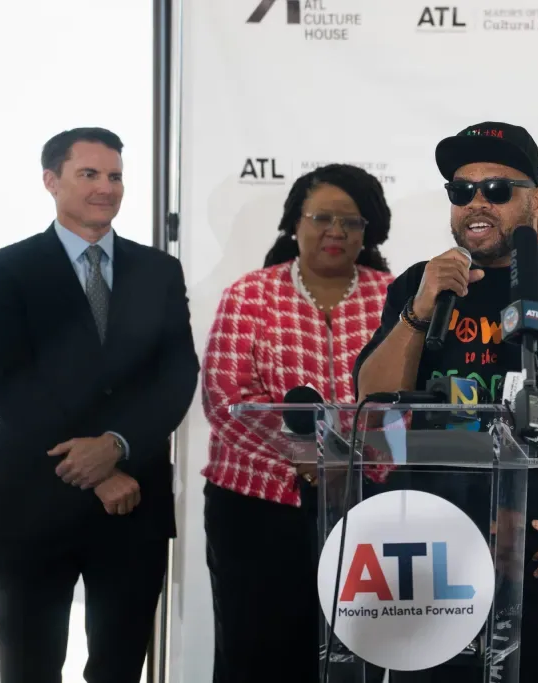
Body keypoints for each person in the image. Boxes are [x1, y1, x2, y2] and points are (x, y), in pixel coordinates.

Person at [354, 121, 538, 681]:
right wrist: (421, 307)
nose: (476, 202)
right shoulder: (420, 287)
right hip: (432, 555)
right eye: (461, 189)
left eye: (497, 190)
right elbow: (371, 399)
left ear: (537, 201)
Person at [0, 127, 199, 683]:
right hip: (33, 501)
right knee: (27, 667)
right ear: (51, 180)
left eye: (115, 176)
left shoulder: (159, 271)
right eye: (89, 174)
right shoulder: (5, 270)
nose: (105, 187)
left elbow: (178, 374)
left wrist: (117, 448)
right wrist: (94, 469)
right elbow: (7, 382)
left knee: (120, 667)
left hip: (135, 501)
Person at [200, 163, 396, 683]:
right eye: (322, 217)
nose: (335, 231)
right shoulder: (250, 295)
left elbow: (408, 399)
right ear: (295, 223)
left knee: (358, 656)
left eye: (351, 222)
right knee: (257, 654)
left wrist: (348, 461)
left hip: (366, 504)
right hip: (259, 507)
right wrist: (306, 457)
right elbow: (226, 399)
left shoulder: (395, 299)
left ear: (368, 230)